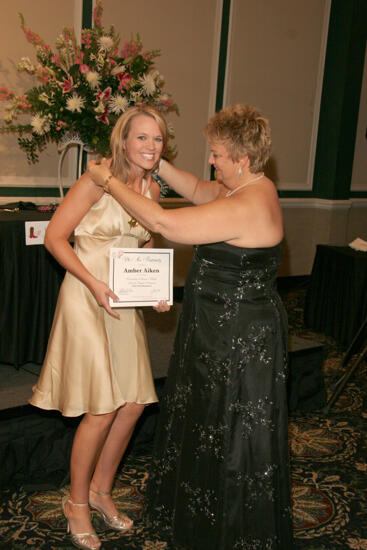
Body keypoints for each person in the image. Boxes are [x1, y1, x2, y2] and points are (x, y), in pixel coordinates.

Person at [88, 103, 294, 549]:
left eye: (217, 153)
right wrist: (153, 159)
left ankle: (227, 532)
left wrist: (107, 180)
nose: (212, 160)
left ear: (240, 158)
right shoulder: (252, 185)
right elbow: (201, 190)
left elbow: (165, 223)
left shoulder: (247, 204)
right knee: (215, 428)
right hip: (225, 329)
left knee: (231, 433)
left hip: (236, 340)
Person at [30, 105, 170, 550]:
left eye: (159, 139)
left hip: (123, 303)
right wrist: (91, 282)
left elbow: (145, 249)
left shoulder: (152, 189)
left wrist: (156, 292)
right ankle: (76, 503)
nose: (150, 147)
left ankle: (101, 490)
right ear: (124, 140)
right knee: (103, 407)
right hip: (86, 296)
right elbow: (55, 237)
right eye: (142, 137)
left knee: (132, 404)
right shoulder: (96, 180)